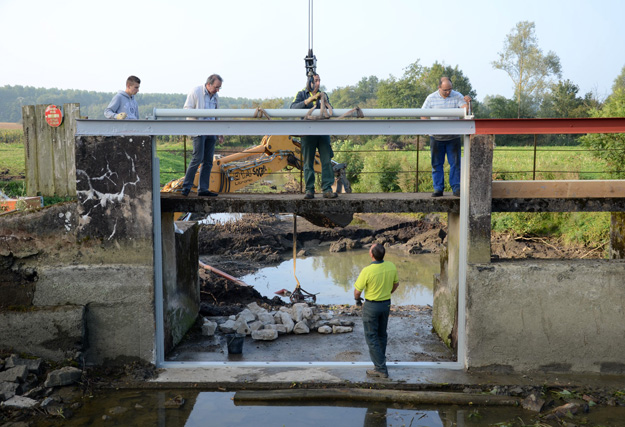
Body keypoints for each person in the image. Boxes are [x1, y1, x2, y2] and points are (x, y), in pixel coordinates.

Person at [353, 244, 399, 378]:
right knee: (382, 334)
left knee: (371, 337)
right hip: (385, 305)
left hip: (371, 307)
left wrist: (357, 300)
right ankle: (380, 362)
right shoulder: (391, 266)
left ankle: (380, 368)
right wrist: (387, 292)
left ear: (372, 255)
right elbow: (396, 284)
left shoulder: (367, 270)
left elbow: (357, 292)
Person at [421, 77, 471, 198]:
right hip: (436, 137)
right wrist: (428, 130)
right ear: (439, 88)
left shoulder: (457, 95)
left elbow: (465, 110)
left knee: (455, 163)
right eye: (445, 90)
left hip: (453, 137)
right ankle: (438, 188)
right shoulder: (431, 98)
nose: (448, 92)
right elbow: (423, 114)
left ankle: (456, 188)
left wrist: (468, 103)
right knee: (436, 164)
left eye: (450, 89)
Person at [290, 73, 337, 199]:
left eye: (319, 80)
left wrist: (326, 105)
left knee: (326, 161)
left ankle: (327, 189)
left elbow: (329, 109)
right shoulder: (301, 94)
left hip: (322, 133)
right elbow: (293, 108)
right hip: (307, 133)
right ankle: (309, 190)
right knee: (307, 162)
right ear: (310, 82)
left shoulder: (323, 95)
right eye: (316, 80)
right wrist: (309, 100)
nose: (318, 83)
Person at [180, 74, 224, 197]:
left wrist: (219, 132)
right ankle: (186, 186)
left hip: (211, 131)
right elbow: (187, 109)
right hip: (199, 131)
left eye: (219, 88)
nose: (218, 90)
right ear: (208, 84)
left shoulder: (215, 96)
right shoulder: (196, 91)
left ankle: (203, 189)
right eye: (216, 87)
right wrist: (197, 121)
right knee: (197, 158)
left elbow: (217, 115)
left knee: (208, 161)